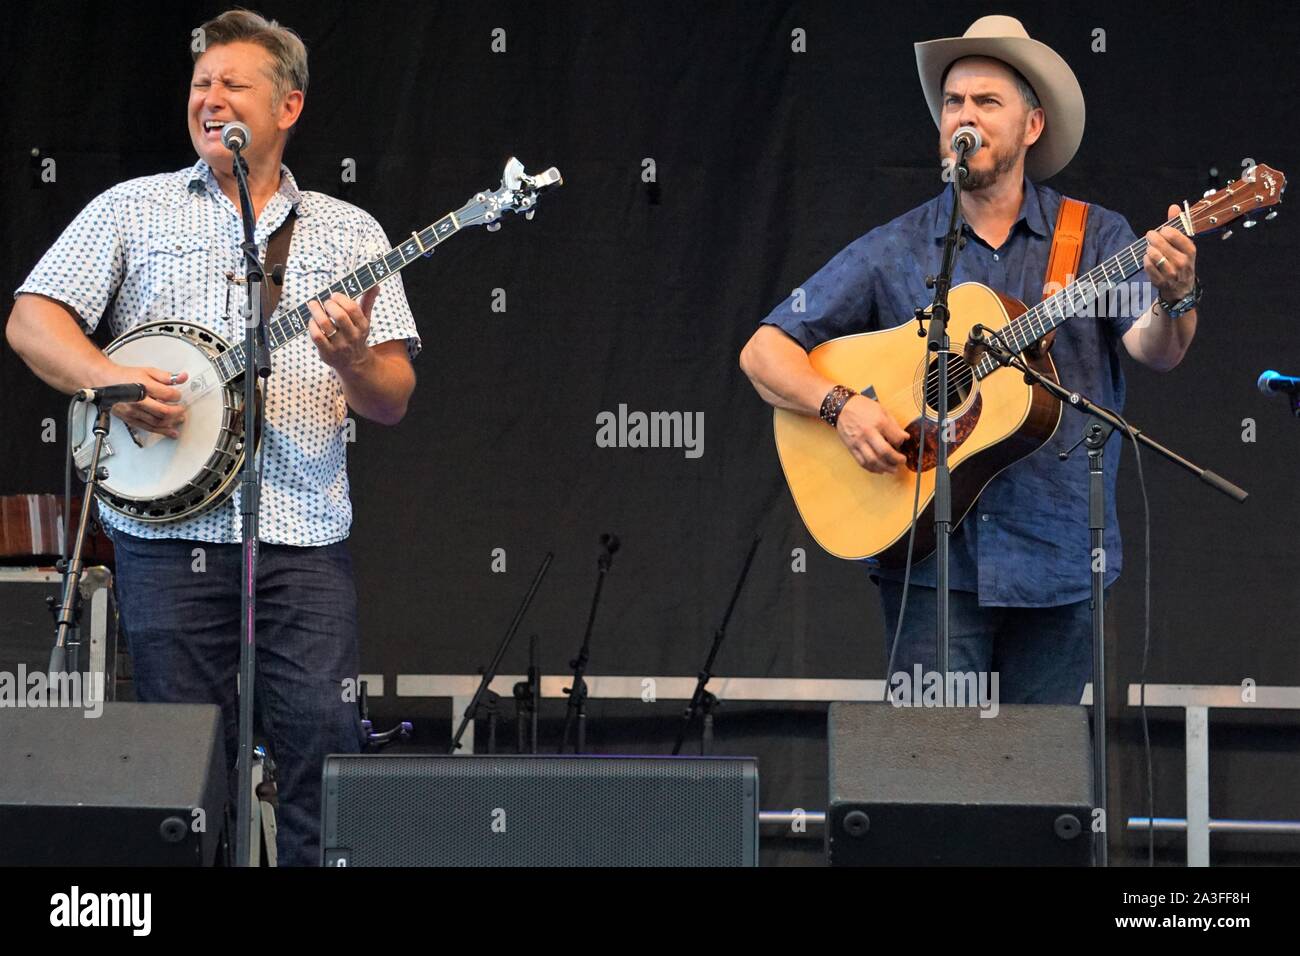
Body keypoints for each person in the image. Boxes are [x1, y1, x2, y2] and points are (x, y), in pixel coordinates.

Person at [5, 9, 420, 866]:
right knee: (180, 776)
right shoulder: (133, 208)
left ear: (288, 108)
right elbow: (31, 320)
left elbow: (391, 400)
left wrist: (351, 362)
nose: (210, 97)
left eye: (233, 83)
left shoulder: (351, 232)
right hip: (167, 541)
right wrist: (111, 384)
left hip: (303, 540)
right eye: (200, 83)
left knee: (324, 758)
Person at [739, 15, 1200, 705]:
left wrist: (1176, 295)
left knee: (1045, 788)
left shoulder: (1094, 235)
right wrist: (842, 407)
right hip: (931, 562)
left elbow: (1153, 348)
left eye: (988, 102)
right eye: (954, 102)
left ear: (1032, 127)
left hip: (1061, 556)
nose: (966, 116)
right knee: (934, 778)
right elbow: (763, 350)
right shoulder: (897, 247)